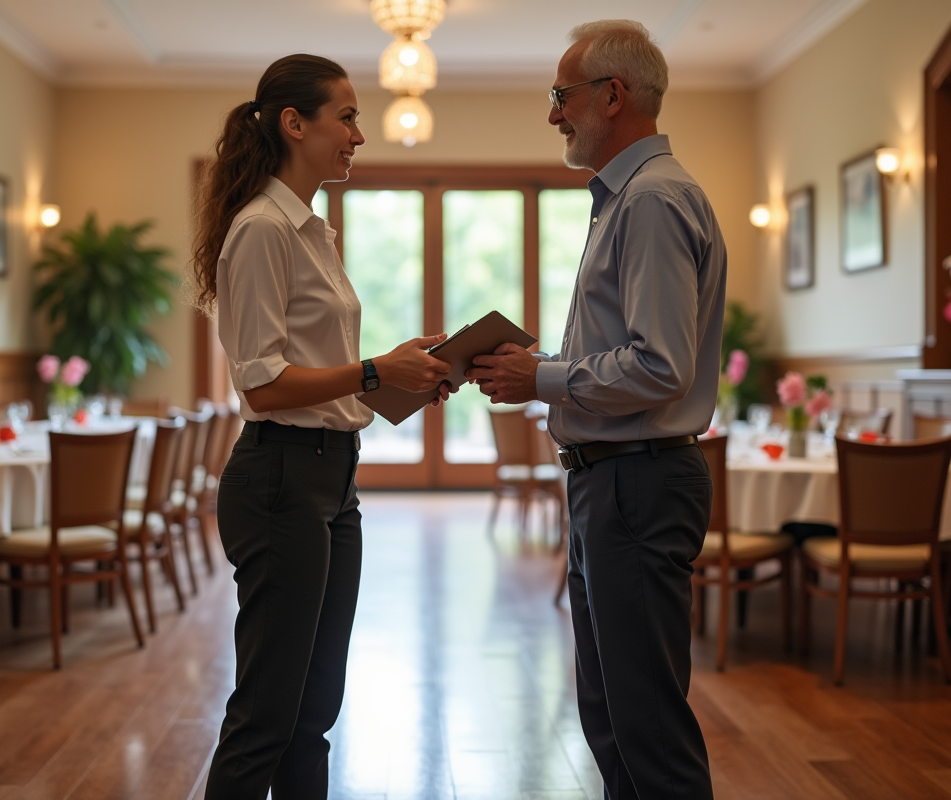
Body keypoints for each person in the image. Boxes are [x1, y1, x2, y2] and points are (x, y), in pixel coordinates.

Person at [467, 20, 725, 800]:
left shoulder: (650, 200)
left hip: (636, 484)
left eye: (561, 95)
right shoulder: (624, 199)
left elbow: (659, 365)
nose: (553, 114)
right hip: (609, 481)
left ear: (613, 95)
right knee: (611, 718)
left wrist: (540, 377)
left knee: (645, 728)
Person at [190, 54, 453, 800]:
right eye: (346, 117)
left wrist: (406, 376)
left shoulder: (314, 233)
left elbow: (328, 382)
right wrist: (374, 371)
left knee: (313, 714)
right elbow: (263, 384)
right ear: (293, 123)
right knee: (267, 714)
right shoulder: (262, 229)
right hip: (279, 480)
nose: (358, 136)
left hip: (332, 478)